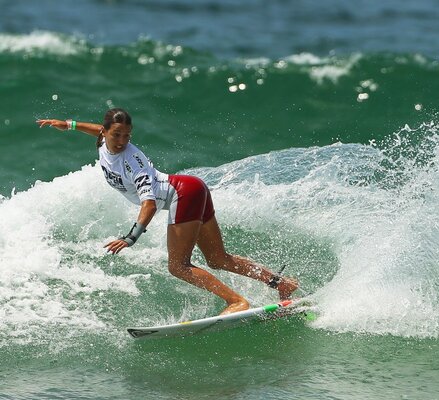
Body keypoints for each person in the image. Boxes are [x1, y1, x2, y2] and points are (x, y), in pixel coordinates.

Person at [37, 108, 298, 315]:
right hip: (193, 188)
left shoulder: (131, 160)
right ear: (105, 132)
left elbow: (148, 204)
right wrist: (68, 125)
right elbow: (95, 129)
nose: (122, 141)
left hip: (183, 194)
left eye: (127, 136)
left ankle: (236, 301)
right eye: (116, 134)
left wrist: (131, 238)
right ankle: (281, 283)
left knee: (178, 266)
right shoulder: (103, 143)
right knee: (218, 258)